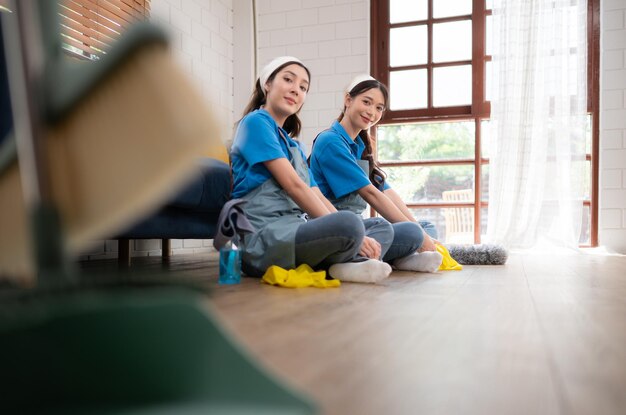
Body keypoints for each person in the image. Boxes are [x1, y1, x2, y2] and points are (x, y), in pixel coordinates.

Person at [230, 57, 393, 283]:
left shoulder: (293, 144)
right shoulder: (255, 122)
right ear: (267, 84)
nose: (296, 90)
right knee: (350, 224)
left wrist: (349, 230)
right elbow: (295, 186)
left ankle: (344, 263)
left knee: (380, 227)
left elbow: (315, 193)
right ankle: (347, 263)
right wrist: (350, 230)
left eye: (303, 87)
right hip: (264, 237)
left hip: (295, 228)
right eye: (288, 80)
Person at [309, 74, 442, 272]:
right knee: (398, 229)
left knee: (425, 226)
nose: (372, 112)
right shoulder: (330, 141)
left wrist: (423, 234)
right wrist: (420, 236)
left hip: (361, 226)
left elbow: (387, 192)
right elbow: (371, 193)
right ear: (348, 100)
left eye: (379, 108)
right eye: (366, 102)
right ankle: (398, 257)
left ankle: (403, 258)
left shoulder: (360, 145)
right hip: (337, 228)